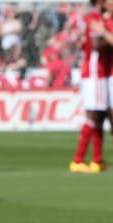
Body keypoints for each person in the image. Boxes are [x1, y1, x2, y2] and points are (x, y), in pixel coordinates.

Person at [70, 0, 113, 173]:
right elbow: (95, 44)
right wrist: (104, 35)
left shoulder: (103, 19)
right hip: (96, 72)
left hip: (103, 73)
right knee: (94, 115)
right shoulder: (95, 18)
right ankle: (78, 159)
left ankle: (96, 160)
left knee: (100, 116)